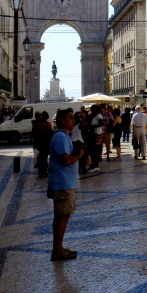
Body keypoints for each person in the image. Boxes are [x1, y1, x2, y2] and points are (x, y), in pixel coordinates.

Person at [48, 109, 84, 261]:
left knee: (61, 216)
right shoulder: (61, 137)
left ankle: (58, 247)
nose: (73, 120)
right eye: (70, 118)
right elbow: (66, 160)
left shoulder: (63, 136)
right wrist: (80, 155)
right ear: (62, 120)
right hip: (62, 183)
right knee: (62, 216)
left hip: (64, 182)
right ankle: (57, 250)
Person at [33, 112, 53, 178]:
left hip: (39, 142)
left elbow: (35, 133)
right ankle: (45, 171)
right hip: (46, 143)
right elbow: (50, 134)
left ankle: (41, 171)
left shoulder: (38, 124)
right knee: (45, 157)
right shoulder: (48, 124)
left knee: (41, 157)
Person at [88, 105, 105, 173]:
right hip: (94, 134)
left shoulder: (98, 116)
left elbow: (101, 124)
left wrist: (93, 127)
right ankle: (93, 165)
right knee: (93, 151)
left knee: (95, 151)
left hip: (97, 135)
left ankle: (95, 166)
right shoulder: (94, 115)